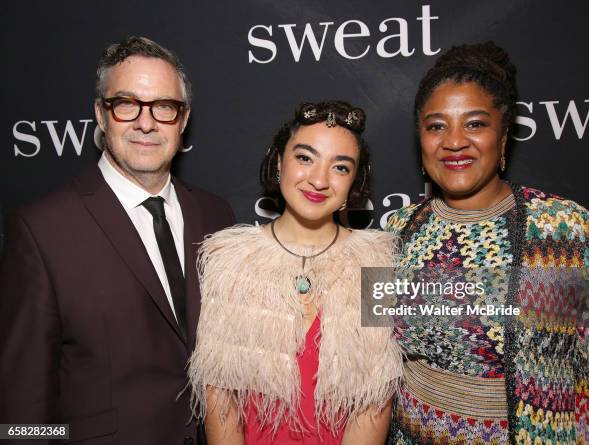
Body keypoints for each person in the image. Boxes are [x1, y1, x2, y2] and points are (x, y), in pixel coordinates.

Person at [0, 36, 235, 444]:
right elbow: (22, 405)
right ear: (101, 114)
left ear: (183, 119)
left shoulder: (216, 215)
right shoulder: (41, 230)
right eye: (126, 104)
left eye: (164, 106)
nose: (146, 123)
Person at [385, 42, 589, 444]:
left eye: (474, 124)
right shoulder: (397, 231)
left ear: (503, 138)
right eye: (436, 126)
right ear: (420, 140)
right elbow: (374, 360)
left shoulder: (566, 230)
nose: (454, 141)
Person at [188, 101, 404, 444]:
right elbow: (220, 399)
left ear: (354, 181)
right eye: (305, 158)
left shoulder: (375, 261)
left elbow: (373, 401)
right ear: (279, 163)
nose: (319, 180)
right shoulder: (230, 260)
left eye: (341, 167)